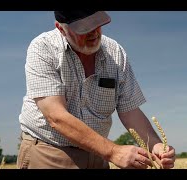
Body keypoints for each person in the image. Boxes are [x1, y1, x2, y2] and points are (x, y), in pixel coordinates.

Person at [17, 11, 175, 169]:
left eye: (97, 24)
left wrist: (156, 146)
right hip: (50, 152)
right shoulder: (43, 48)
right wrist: (113, 152)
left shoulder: (115, 52)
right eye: (84, 28)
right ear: (61, 28)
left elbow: (130, 110)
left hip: (99, 154)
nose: (93, 32)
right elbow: (56, 116)